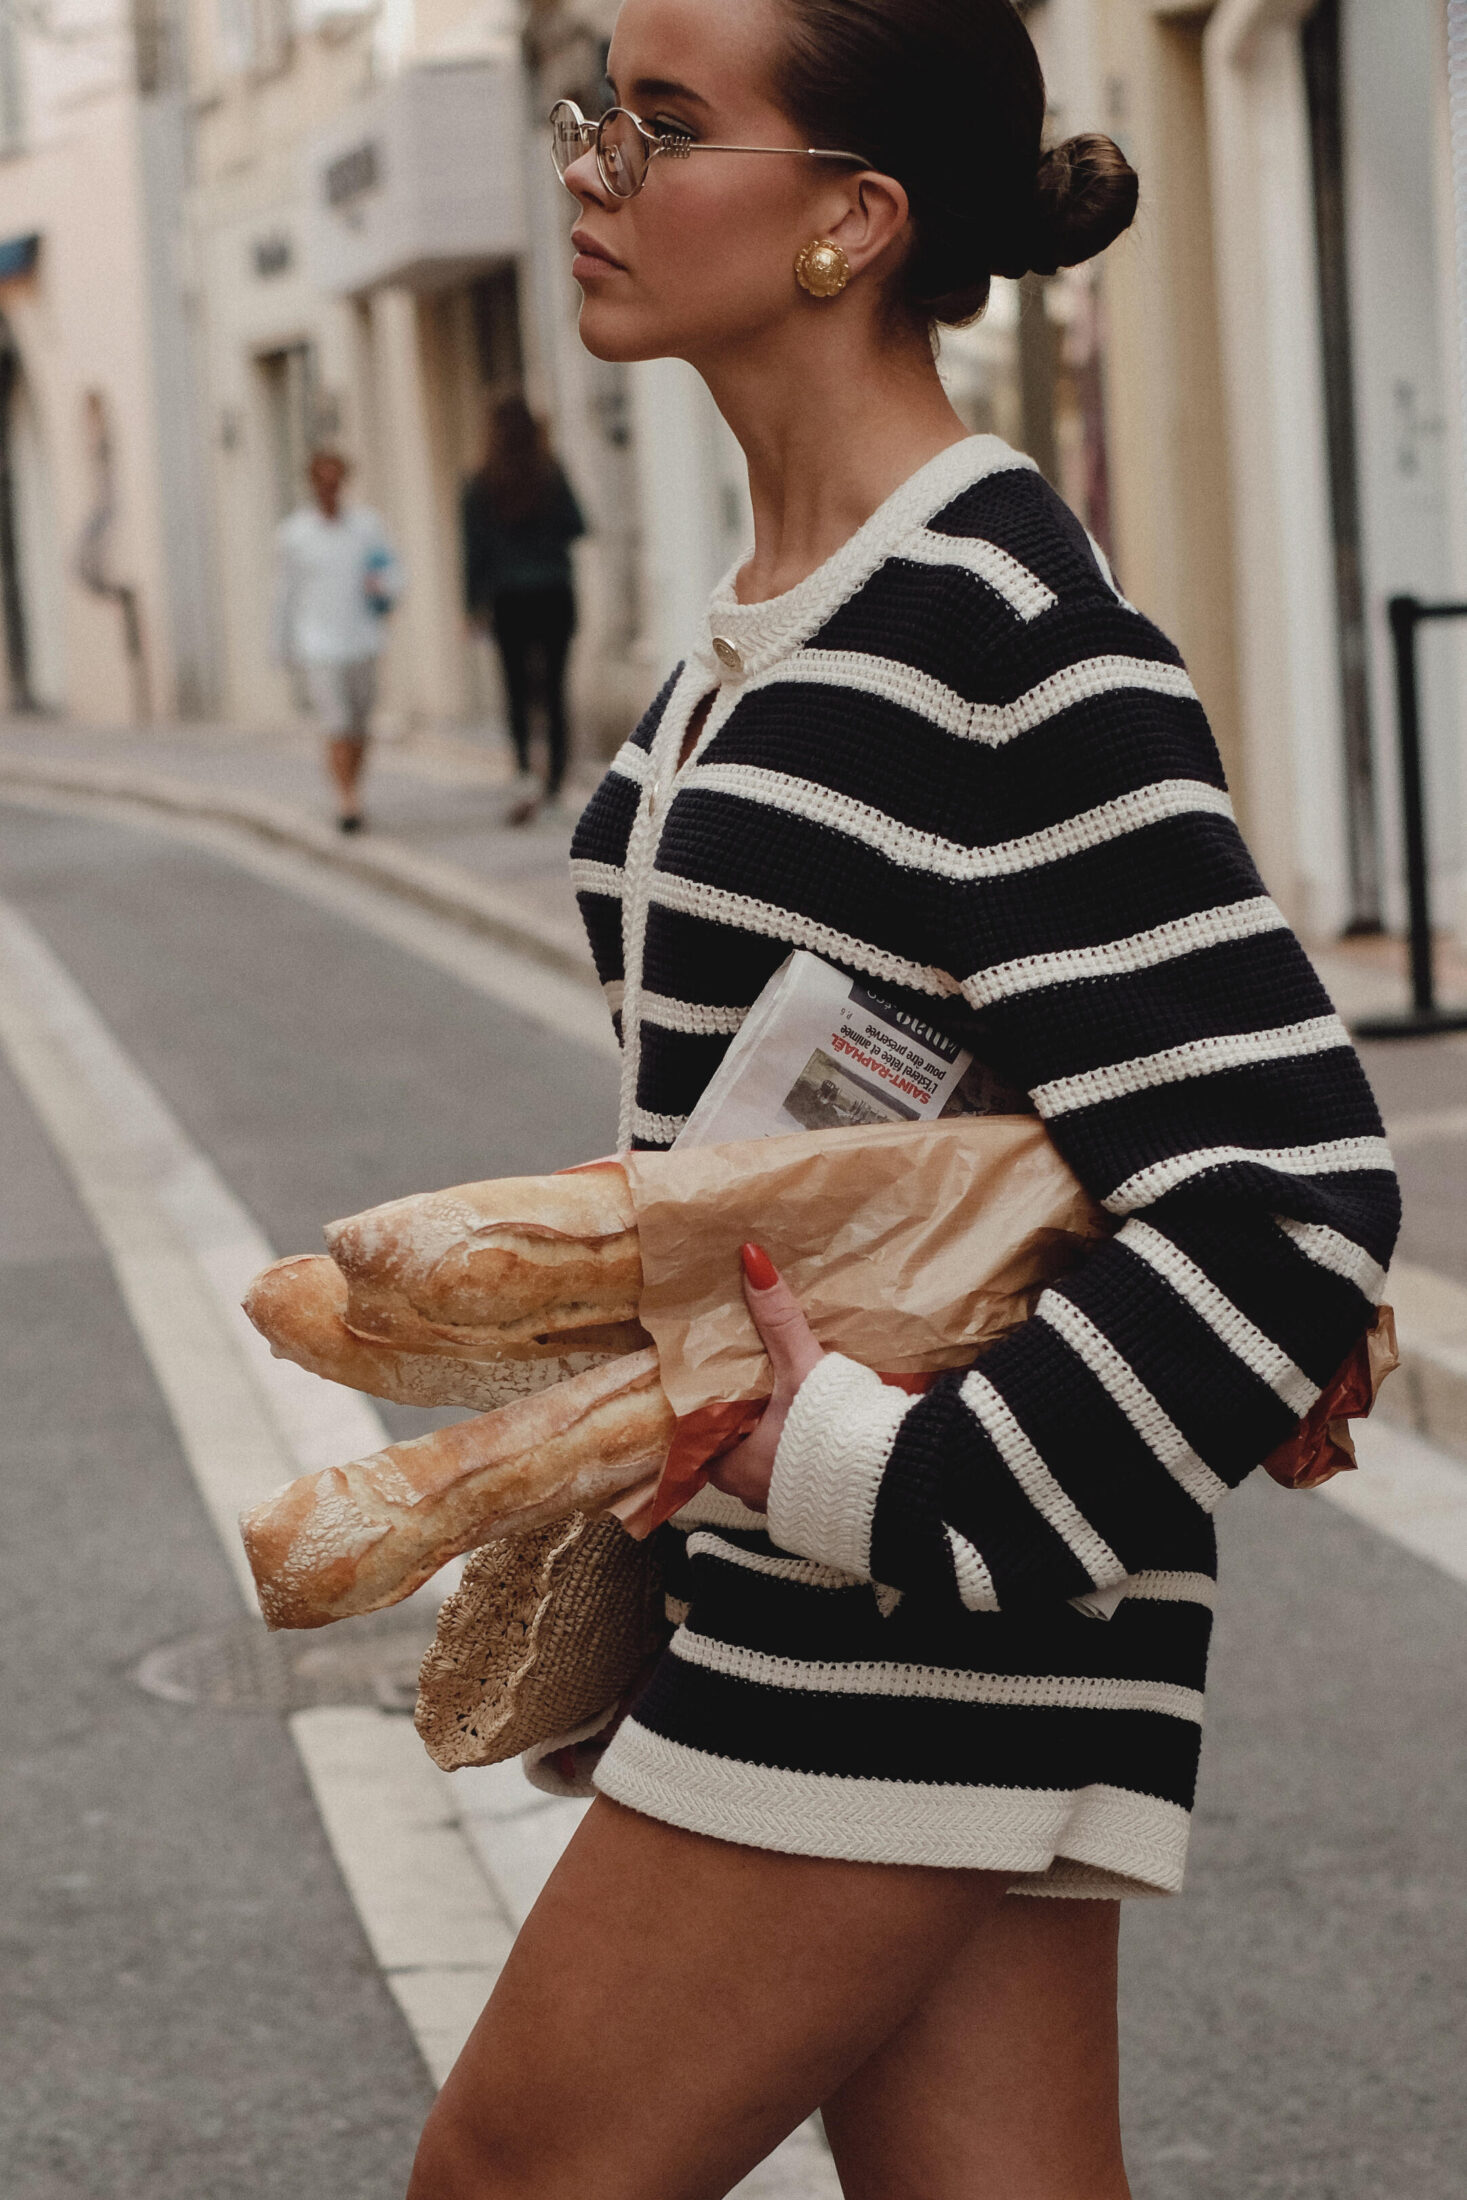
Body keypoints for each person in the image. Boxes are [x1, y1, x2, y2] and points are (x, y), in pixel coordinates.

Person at [409, 2, 1401, 2194]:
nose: (588, 167)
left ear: (853, 221)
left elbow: (1282, 1182)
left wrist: (881, 1479)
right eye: (593, 109)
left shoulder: (997, 629)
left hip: (900, 1621)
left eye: (660, 127)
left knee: (505, 2173)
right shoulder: (777, 612)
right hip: (859, 1596)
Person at [462, 396, 586, 823]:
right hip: (554, 591)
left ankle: (522, 768)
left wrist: (471, 607)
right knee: (554, 687)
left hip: (507, 598)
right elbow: (578, 526)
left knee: (515, 686)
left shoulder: (480, 482)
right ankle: (555, 777)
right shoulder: (550, 473)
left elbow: (473, 551)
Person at [272, 449, 401, 834]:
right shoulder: (294, 535)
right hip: (318, 644)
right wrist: (281, 646)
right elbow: (284, 594)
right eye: (322, 482)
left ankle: (353, 785)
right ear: (312, 484)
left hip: (362, 638)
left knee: (360, 722)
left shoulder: (367, 527)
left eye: (335, 481)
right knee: (337, 722)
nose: (329, 489)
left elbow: (392, 571)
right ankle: (347, 800)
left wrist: (385, 588)